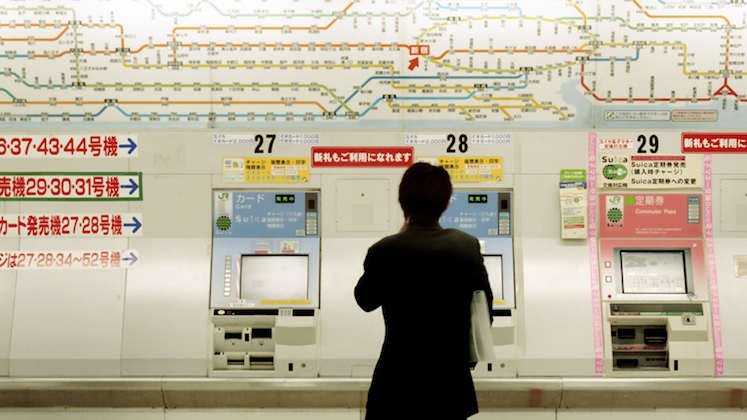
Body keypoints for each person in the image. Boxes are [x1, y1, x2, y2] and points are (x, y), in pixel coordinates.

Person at [355, 162, 494, 420]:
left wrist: (399, 238)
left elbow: (365, 300)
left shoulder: (384, 250)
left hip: (395, 385)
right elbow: (485, 308)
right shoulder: (466, 246)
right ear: (446, 204)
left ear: (402, 202)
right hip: (450, 386)